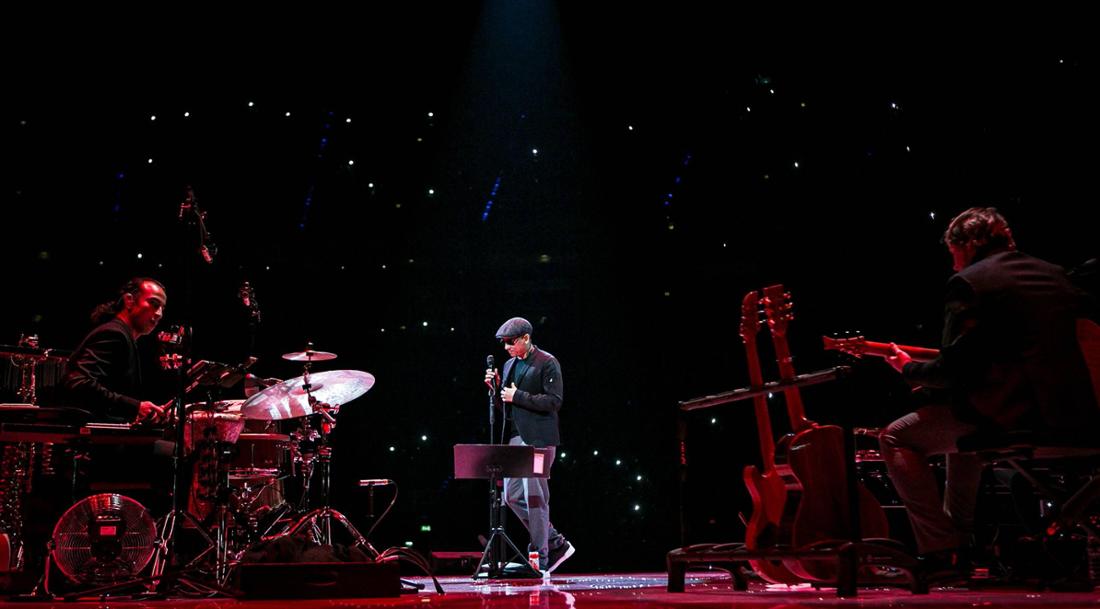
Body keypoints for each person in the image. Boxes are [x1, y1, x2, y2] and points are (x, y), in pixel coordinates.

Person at [878, 207, 1098, 573]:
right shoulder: (1057, 276)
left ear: (968, 245)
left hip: (1016, 419)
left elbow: (952, 372)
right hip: (1078, 416)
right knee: (964, 428)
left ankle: (941, 548)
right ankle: (960, 545)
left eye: (953, 253)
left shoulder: (971, 283)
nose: (953, 264)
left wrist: (908, 369)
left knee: (895, 437)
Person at [483, 316, 575, 574]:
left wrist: (518, 395)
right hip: (515, 438)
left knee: (535, 498)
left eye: (511, 342)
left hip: (539, 440)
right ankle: (556, 542)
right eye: (504, 343)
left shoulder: (547, 362)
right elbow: (507, 406)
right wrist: (496, 389)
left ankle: (540, 559)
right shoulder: (509, 365)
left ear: (526, 338)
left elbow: (554, 401)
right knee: (512, 496)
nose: (506, 347)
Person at [63, 277, 168, 424]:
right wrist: (135, 407)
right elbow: (78, 382)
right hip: (92, 433)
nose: (159, 313)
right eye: (154, 303)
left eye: (162, 308)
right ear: (129, 300)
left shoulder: (123, 336)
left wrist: (139, 412)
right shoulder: (114, 334)